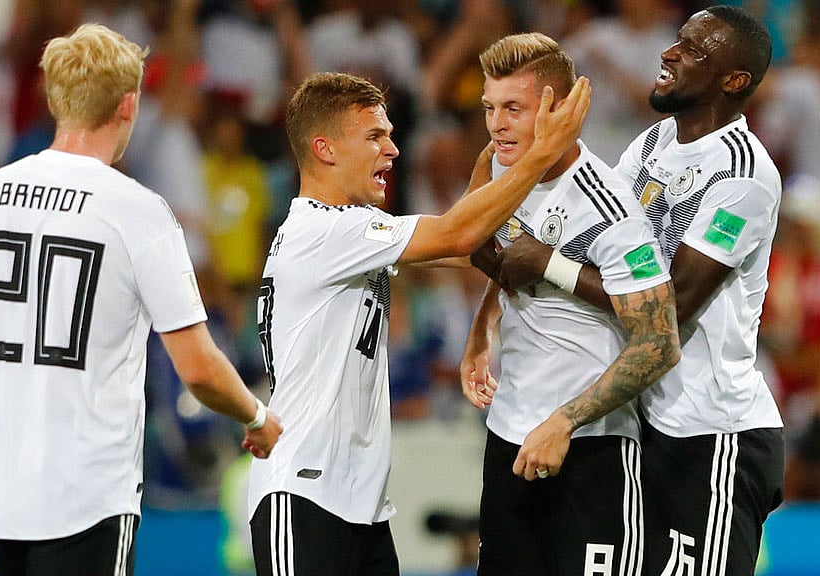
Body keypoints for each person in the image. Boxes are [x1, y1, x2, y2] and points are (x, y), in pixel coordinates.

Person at [0, 23, 283, 576]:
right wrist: (256, 415)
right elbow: (195, 365)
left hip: (1, 500)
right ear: (128, 105)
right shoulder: (139, 212)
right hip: (88, 497)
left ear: (56, 99)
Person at [247, 71, 590, 576]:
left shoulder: (345, 232)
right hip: (302, 493)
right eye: (374, 137)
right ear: (325, 149)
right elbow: (457, 234)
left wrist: (497, 154)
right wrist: (540, 153)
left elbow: (468, 242)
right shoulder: (326, 230)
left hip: (359, 505)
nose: (393, 150)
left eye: (389, 134)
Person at [495, 6, 785, 575]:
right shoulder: (652, 143)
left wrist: (547, 264)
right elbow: (591, 243)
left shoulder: (744, 175)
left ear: (735, 81)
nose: (670, 53)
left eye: (695, 50)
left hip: (711, 431)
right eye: (678, 40)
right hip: (641, 423)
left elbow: (669, 304)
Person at [459, 33, 681, 576]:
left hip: (591, 451)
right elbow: (499, 260)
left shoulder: (608, 205)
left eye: (514, 108)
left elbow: (659, 342)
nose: (497, 124)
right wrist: (480, 334)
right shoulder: (497, 171)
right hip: (508, 439)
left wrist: (564, 422)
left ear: (556, 108)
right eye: (490, 108)